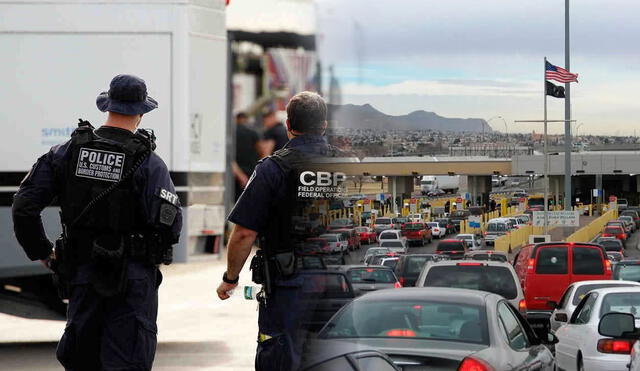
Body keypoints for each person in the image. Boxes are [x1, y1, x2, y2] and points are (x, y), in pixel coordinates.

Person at [12, 74, 182, 371]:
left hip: (82, 274)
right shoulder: (150, 163)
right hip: (132, 280)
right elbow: (170, 225)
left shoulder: (67, 151)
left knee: (82, 359)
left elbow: (24, 206)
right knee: (127, 361)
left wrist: (41, 252)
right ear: (141, 113)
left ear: (107, 107)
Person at [217, 91, 339, 370]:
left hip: (289, 286)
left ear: (288, 126)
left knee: (282, 354)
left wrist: (230, 278)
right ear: (324, 125)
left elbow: (244, 233)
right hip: (339, 282)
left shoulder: (272, 169)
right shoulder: (348, 165)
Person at [232, 111, 260, 200]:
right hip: (251, 171)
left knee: (235, 201)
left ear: (236, 119)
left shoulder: (231, 133)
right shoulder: (253, 132)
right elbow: (262, 150)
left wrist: (240, 176)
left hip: (235, 174)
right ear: (246, 119)